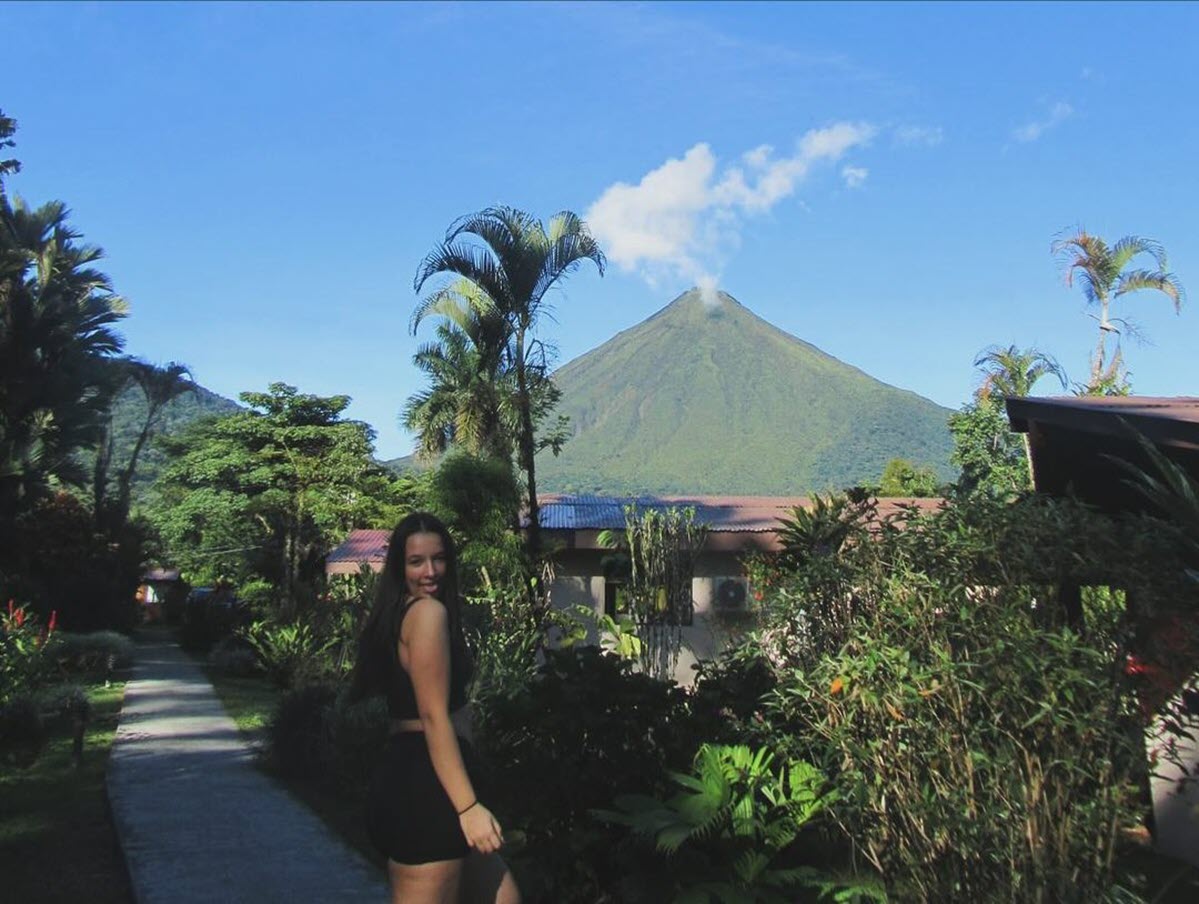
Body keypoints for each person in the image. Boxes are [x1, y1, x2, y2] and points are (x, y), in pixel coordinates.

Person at [350, 512, 520, 904]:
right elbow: (432, 716)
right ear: (399, 566)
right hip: (426, 788)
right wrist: (469, 806)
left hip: (420, 777)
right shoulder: (426, 614)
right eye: (416, 562)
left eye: (439, 559)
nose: (431, 571)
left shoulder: (400, 614)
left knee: (504, 897)